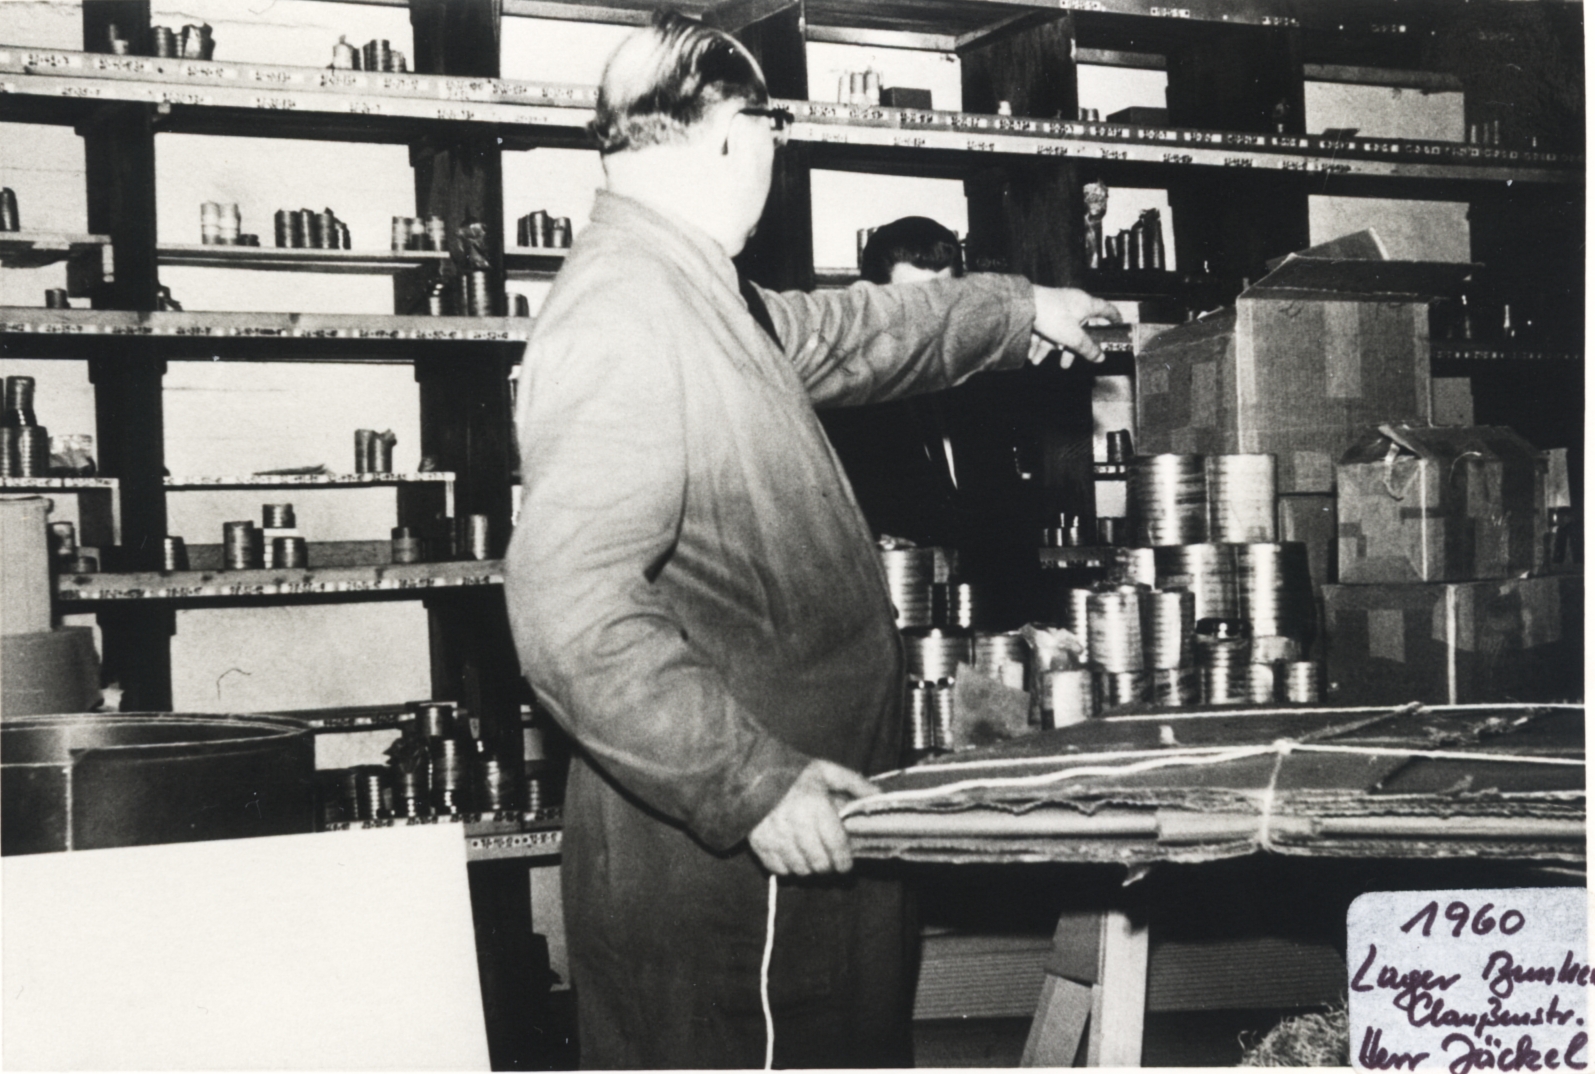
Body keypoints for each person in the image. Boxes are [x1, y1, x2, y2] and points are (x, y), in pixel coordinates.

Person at [503, 11, 1120, 1069]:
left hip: (782, 840)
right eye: (772, 132)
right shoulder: (625, 315)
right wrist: (750, 782)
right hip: (732, 876)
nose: (773, 158)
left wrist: (1019, 311)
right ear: (729, 132)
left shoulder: (689, 286)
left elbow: (853, 332)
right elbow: (570, 611)